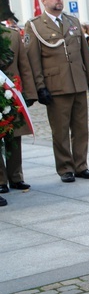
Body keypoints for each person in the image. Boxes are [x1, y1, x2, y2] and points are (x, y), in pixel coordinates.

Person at [25, 0, 89, 183]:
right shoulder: (35, 26)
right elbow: (34, 60)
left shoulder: (72, 21)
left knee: (81, 128)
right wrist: (40, 87)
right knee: (60, 130)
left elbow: (85, 54)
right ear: (44, 1)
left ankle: (81, 164)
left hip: (77, 83)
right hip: (55, 86)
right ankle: (65, 167)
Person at [0, 24, 37, 206]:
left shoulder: (13, 35)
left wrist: (29, 93)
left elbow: (24, 66)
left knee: (14, 135)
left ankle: (16, 176)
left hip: (12, 92)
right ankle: (1, 180)